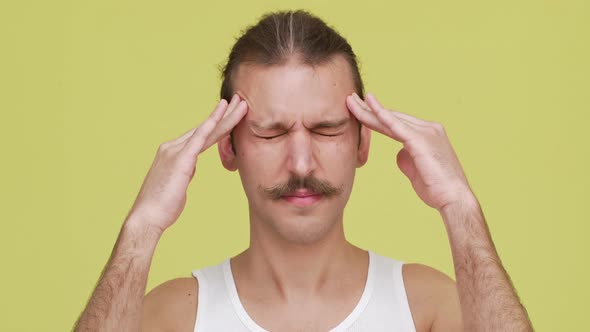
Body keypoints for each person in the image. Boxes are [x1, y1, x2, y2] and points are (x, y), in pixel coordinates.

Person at [74, 10, 533, 332]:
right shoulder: (172, 317)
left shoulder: (430, 308)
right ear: (227, 148)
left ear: (362, 141)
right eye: (271, 134)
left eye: (327, 129)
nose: (300, 163)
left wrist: (461, 207)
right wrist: (141, 228)